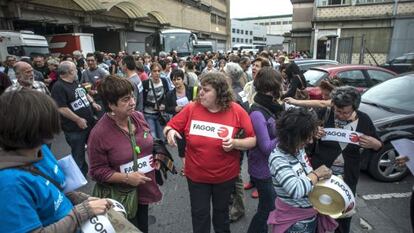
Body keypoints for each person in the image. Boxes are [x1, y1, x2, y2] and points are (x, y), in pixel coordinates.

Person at [0, 89, 111, 232]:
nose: (55, 131)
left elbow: (55, 188)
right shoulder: (9, 184)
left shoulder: (39, 148)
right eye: (49, 124)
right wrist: (80, 213)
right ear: (31, 129)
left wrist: (79, 198)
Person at [163, 72, 257, 233]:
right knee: (200, 215)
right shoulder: (192, 108)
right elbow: (169, 126)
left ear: (219, 92)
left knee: (221, 216)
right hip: (197, 177)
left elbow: (253, 140)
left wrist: (235, 143)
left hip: (225, 177)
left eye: (206, 90)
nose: (200, 93)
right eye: (200, 88)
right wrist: (169, 132)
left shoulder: (236, 110)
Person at [88, 75, 162, 233]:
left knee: (143, 228)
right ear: (110, 105)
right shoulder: (98, 134)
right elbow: (96, 172)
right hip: (121, 197)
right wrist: (127, 178)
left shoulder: (138, 117)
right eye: (125, 99)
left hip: (143, 190)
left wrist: (155, 157)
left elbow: (148, 142)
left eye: (133, 96)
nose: (133, 102)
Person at [310, 86, 383, 233]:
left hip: (347, 176)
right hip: (322, 173)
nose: (340, 115)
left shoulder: (364, 119)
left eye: (345, 112)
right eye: (337, 110)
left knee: (343, 213)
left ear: (354, 108)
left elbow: (378, 145)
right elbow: (306, 137)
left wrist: (376, 144)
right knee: (318, 209)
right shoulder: (325, 113)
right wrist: (313, 133)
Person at [268, 108, 335, 233]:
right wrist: (316, 174)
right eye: (306, 138)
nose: (310, 141)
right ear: (293, 137)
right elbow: (295, 189)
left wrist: (321, 178)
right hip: (296, 222)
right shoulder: (278, 159)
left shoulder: (297, 149)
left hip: (308, 214)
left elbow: (305, 175)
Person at [247, 67, 284, 233]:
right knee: (267, 208)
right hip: (262, 170)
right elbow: (266, 147)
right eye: (280, 83)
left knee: (268, 206)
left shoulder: (273, 106)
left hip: (272, 167)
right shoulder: (257, 112)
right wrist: (287, 133)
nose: (283, 86)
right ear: (272, 87)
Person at [51, 61, 100, 175]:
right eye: (75, 68)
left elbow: (83, 92)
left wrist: (92, 102)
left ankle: (97, 171)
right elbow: (61, 108)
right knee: (78, 154)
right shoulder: (58, 87)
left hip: (89, 123)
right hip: (74, 129)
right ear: (70, 71)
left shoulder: (75, 81)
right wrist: (77, 119)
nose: (77, 70)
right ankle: (80, 177)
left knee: (95, 149)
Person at [163, 69, 196, 174]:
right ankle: (186, 167)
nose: (176, 82)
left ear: (183, 79)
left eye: (178, 79)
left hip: (193, 121)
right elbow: (167, 108)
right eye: (174, 80)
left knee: (194, 144)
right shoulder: (169, 94)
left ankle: (195, 164)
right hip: (179, 123)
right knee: (181, 145)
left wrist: (193, 103)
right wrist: (175, 109)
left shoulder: (192, 90)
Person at [142, 62, 169, 140]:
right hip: (148, 114)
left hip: (160, 114)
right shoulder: (146, 83)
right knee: (153, 137)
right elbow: (142, 99)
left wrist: (163, 104)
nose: (157, 73)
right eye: (154, 71)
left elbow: (167, 94)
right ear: (151, 72)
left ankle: (161, 152)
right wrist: (153, 105)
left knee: (162, 137)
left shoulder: (164, 81)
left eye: (158, 71)